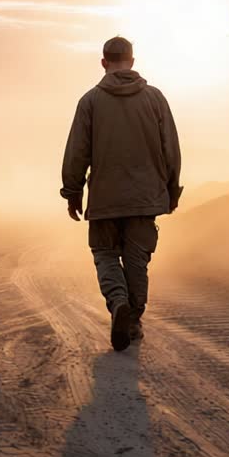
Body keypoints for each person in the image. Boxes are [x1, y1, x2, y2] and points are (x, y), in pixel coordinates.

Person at [60, 36, 182, 351]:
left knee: (105, 255)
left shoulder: (90, 101)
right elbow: (171, 148)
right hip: (146, 197)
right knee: (137, 260)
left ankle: (118, 304)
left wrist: (73, 191)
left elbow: (77, 152)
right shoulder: (155, 99)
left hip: (105, 198)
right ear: (132, 60)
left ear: (104, 62)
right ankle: (134, 319)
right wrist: (172, 189)